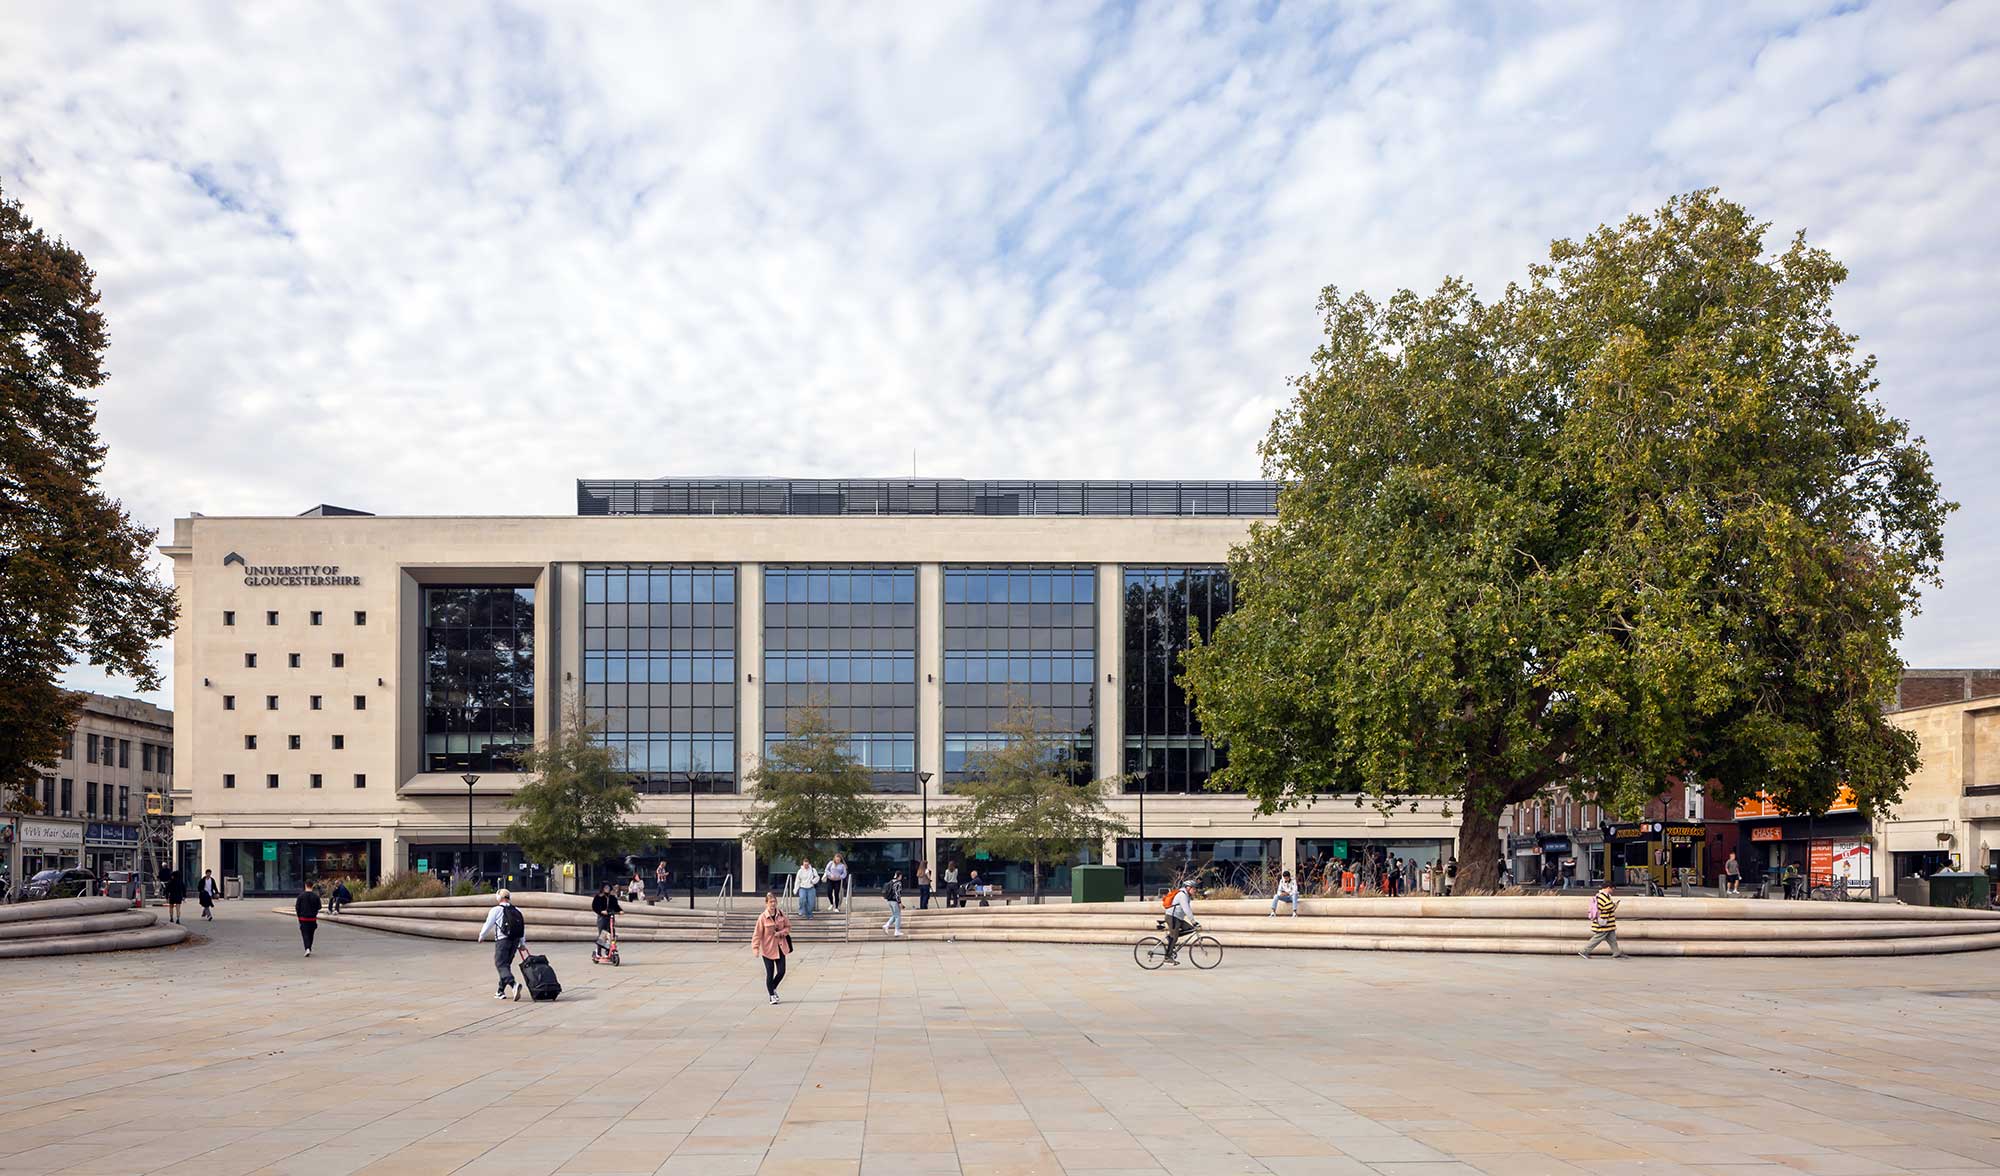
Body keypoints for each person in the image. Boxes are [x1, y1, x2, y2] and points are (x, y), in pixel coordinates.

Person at [477, 889, 528, 999]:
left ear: (498, 898)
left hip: (502, 941)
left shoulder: (496, 910)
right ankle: (500, 991)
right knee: (506, 965)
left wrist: (482, 936)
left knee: (500, 964)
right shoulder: (517, 910)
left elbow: (488, 924)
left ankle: (514, 985)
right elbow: (522, 928)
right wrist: (522, 943)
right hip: (515, 941)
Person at [752, 891, 793, 1004]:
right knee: (770, 973)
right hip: (768, 949)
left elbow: (788, 927)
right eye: (771, 902)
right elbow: (757, 934)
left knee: (781, 971)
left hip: (780, 948)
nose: (773, 904)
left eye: (774, 901)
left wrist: (781, 933)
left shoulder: (781, 914)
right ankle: (772, 995)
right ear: (766, 903)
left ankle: (772, 987)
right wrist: (755, 948)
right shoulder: (762, 918)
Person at [1579, 880, 1625, 959]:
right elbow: (1608, 907)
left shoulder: (1602, 895)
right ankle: (1584, 951)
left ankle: (1616, 952)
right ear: (1608, 888)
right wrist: (1614, 905)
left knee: (1612, 938)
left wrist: (1613, 905)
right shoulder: (1602, 896)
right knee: (1598, 938)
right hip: (1604, 922)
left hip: (1607, 922)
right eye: (1612, 889)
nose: (1613, 890)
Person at [1163, 881, 1195, 962]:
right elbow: (1186, 909)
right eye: (1194, 888)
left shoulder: (1187, 895)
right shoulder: (1182, 895)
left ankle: (1170, 936)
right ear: (1188, 887)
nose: (1195, 890)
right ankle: (1168, 957)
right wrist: (1194, 921)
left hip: (1178, 918)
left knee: (1190, 929)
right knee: (1174, 937)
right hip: (1172, 917)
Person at [295, 885, 321, 956]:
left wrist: (299, 916)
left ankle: (307, 948)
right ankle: (309, 947)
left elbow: (297, 907)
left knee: (305, 934)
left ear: (305, 886)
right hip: (312, 918)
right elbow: (319, 907)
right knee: (311, 934)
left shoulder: (300, 896)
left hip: (303, 918)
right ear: (312, 886)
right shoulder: (316, 896)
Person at [882, 872, 905, 937]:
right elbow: (897, 893)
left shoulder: (891, 881)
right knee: (898, 916)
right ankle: (897, 931)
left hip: (889, 901)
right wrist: (900, 903)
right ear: (899, 876)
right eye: (901, 876)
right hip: (895, 901)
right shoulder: (898, 883)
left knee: (894, 915)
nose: (901, 877)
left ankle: (886, 925)